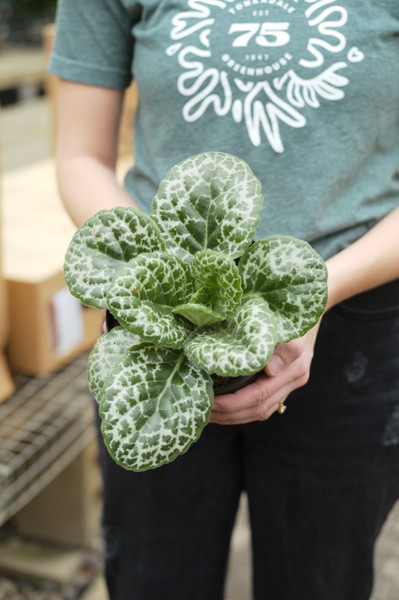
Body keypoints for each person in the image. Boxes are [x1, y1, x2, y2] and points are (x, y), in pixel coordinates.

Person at [49, 1, 399, 599]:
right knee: (154, 577)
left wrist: (319, 291)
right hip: (158, 329)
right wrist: (153, 273)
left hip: (352, 321)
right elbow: (80, 154)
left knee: (321, 579)